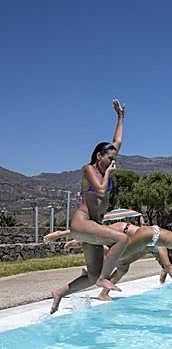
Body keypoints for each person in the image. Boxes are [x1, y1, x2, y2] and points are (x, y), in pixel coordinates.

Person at [50, 99, 128, 314]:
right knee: (121, 238)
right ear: (99, 156)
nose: (113, 161)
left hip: (93, 225)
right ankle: (105, 277)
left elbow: (117, 140)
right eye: (110, 157)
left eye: (114, 157)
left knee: (91, 276)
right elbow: (101, 191)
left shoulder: (105, 166)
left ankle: (59, 292)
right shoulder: (89, 169)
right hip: (82, 222)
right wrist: (110, 174)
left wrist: (120, 116)